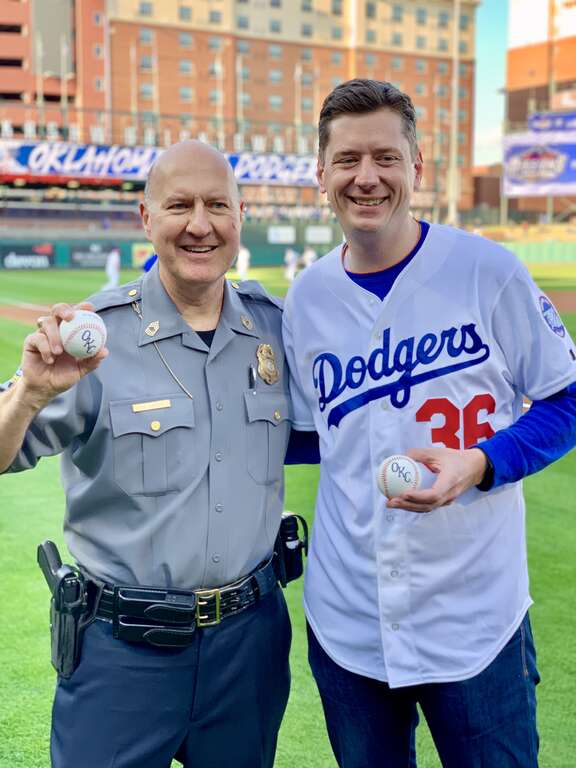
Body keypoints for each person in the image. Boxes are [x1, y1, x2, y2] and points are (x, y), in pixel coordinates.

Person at [282, 79, 576, 768]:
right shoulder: (307, 300)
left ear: (417, 169)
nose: (367, 177)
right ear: (321, 174)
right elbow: (304, 435)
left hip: (476, 619)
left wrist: (481, 461)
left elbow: (567, 399)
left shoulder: (487, 272)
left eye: (385, 157)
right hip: (348, 620)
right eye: (348, 159)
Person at [0, 140, 294, 768]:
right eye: (179, 204)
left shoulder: (275, 329)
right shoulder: (94, 337)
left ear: (241, 216)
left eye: (218, 205)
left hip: (249, 647)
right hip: (121, 652)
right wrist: (28, 393)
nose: (200, 223)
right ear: (145, 217)